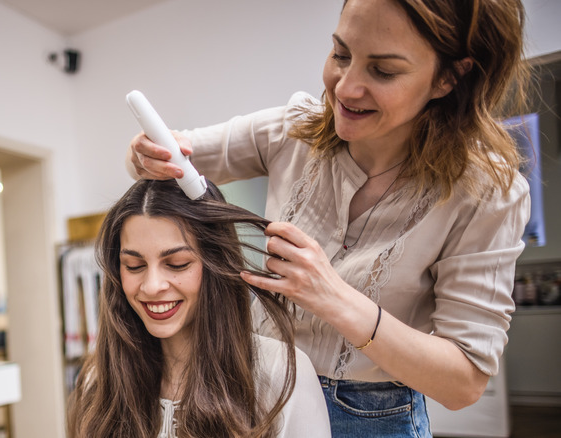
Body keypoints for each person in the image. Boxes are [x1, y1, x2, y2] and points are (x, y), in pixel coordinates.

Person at [126, 0, 531, 436]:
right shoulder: (291, 131)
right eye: (340, 54)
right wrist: (146, 155)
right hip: (259, 392)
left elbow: (464, 382)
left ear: (452, 76)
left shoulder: (487, 193)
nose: (346, 87)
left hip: (369, 418)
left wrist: (335, 298)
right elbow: (165, 156)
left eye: (384, 71)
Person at [66, 178, 331, 437]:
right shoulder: (97, 379)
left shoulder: (279, 371)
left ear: (214, 264)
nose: (152, 286)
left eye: (178, 263)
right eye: (134, 266)